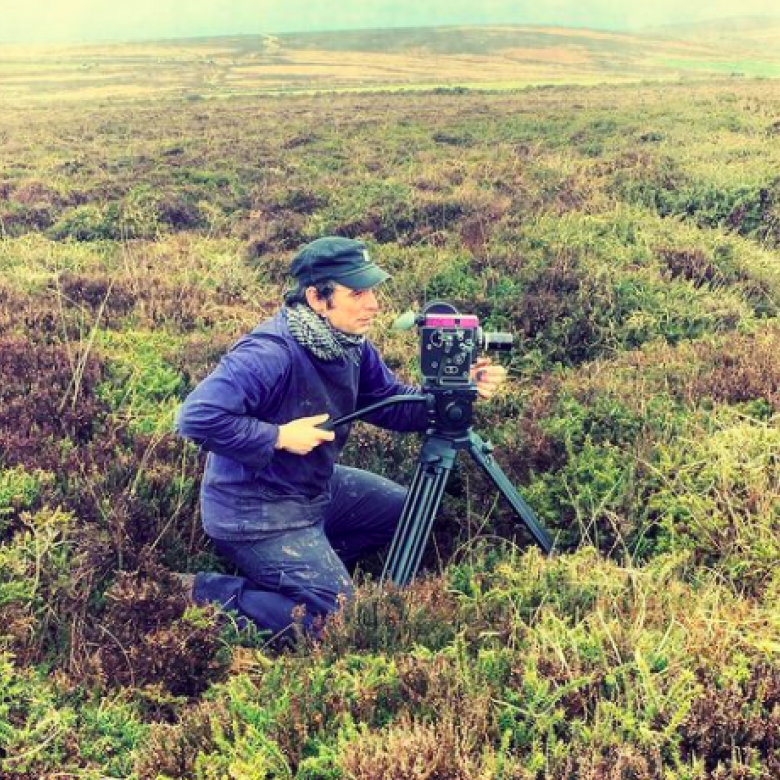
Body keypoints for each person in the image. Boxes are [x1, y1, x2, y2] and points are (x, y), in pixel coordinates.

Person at [175, 236, 506, 639]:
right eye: (358, 293)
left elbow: (388, 403)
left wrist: (455, 393)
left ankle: (312, 572)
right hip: (256, 513)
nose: (374, 304)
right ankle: (200, 593)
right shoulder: (270, 351)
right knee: (335, 625)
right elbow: (196, 416)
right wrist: (277, 436)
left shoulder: (349, 344)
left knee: (409, 512)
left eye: (373, 291)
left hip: (313, 489)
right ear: (317, 298)